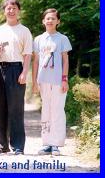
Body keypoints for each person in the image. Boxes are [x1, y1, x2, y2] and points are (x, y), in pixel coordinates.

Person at [0, 0, 32, 155]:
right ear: (4, 11)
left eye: (14, 8)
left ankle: (18, 146)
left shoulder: (24, 30)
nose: (11, 11)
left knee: (16, 108)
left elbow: (28, 54)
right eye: (8, 8)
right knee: (0, 108)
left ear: (18, 10)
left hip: (16, 69)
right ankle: (2, 144)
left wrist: (24, 73)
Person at [32, 8, 72, 156]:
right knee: (46, 111)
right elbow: (35, 61)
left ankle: (56, 144)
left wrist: (64, 79)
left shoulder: (62, 39)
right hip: (43, 80)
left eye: (53, 18)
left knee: (57, 110)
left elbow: (65, 60)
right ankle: (47, 143)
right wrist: (35, 82)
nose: (50, 21)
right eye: (47, 18)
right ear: (43, 21)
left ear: (58, 21)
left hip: (57, 81)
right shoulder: (38, 39)